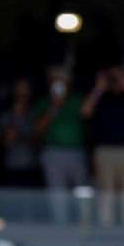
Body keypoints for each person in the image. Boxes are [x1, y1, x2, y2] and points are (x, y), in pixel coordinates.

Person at [82, 65, 124, 226]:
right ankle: (106, 227)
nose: (116, 81)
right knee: (106, 192)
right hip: (105, 150)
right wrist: (99, 88)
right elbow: (86, 112)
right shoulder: (101, 96)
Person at [34, 68, 87, 222]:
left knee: (81, 193)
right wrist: (54, 106)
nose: (58, 83)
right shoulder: (44, 102)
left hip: (76, 152)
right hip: (53, 152)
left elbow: (87, 113)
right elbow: (38, 129)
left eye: (62, 80)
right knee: (57, 196)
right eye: (54, 80)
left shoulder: (76, 100)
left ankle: (84, 225)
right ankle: (61, 226)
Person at [0, 78, 43, 188]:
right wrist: (15, 116)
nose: (22, 93)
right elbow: (6, 140)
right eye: (19, 89)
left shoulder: (35, 113)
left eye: (25, 89)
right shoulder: (7, 115)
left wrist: (19, 137)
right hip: (11, 167)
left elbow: (38, 140)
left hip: (32, 166)